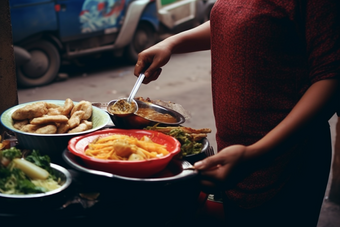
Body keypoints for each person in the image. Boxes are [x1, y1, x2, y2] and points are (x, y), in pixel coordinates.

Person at [134, 0, 340, 226]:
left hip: (286, 161)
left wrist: (254, 155)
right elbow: (238, 21)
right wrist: (172, 42)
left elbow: (330, 79)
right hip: (235, 157)